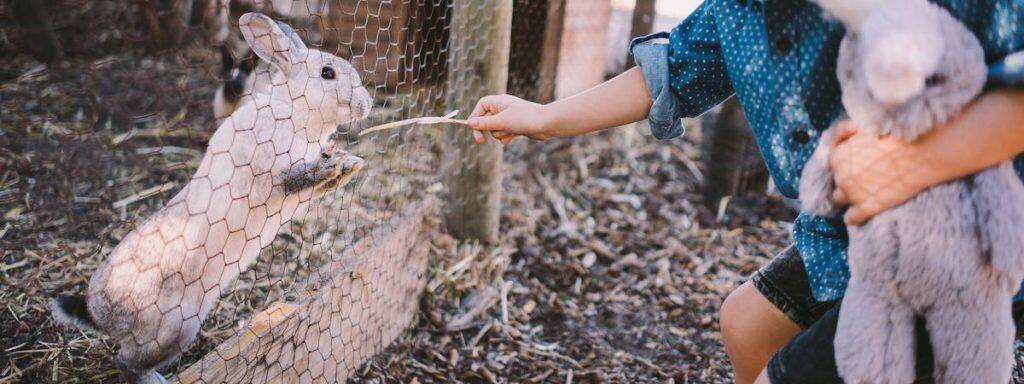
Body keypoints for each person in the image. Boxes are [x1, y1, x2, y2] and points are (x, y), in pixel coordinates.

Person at [466, 1, 1024, 383]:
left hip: (956, 258)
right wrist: (543, 118)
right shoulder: (735, 13)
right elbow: (667, 73)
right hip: (847, 239)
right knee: (747, 324)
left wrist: (914, 161)